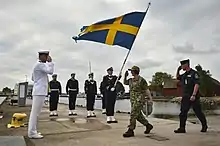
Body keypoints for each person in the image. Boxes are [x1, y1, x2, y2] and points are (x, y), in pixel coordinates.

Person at [174, 59, 208, 133]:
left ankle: (204, 125)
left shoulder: (194, 73)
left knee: (198, 112)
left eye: (183, 65)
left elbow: (197, 84)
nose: (181, 66)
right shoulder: (184, 75)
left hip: (193, 96)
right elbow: (177, 77)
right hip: (185, 96)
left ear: (186, 64)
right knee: (183, 112)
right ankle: (182, 128)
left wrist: (194, 95)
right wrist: (178, 70)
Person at [28, 51, 54, 139]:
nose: (48, 57)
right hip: (39, 91)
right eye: (46, 56)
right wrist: (50, 62)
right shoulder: (40, 65)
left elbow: (32, 78)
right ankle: (32, 132)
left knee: (35, 113)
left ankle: (33, 131)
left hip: (38, 91)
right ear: (42, 56)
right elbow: (50, 71)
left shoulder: (37, 65)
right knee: (35, 113)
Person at [123, 66, 153, 137]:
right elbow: (125, 82)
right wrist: (125, 76)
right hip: (132, 100)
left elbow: (146, 90)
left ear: (135, 71)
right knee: (138, 116)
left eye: (132, 71)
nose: (131, 72)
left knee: (133, 114)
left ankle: (131, 130)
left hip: (139, 100)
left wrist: (150, 99)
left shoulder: (142, 80)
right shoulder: (130, 80)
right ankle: (148, 125)